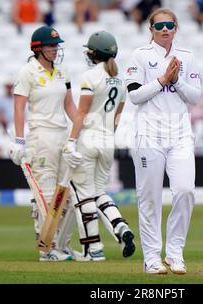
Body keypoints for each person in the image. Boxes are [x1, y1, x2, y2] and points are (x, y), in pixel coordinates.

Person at [125, 8, 202, 274]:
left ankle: (175, 253)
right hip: (149, 135)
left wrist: (177, 80)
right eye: (160, 26)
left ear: (176, 28)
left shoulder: (187, 57)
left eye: (170, 25)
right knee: (150, 198)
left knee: (185, 190)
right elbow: (134, 96)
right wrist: (162, 80)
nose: (165, 29)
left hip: (180, 134)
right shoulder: (140, 55)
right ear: (151, 29)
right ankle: (152, 259)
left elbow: (195, 97)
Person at [9, 26, 82, 261]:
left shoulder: (63, 72)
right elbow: (19, 107)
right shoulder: (27, 72)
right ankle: (46, 249)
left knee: (68, 195)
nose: (55, 49)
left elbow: (70, 105)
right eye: (51, 46)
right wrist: (20, 141)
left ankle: (62, 245)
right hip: (40, 137)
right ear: (37, 48)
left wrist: (82, 129)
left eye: (56, 45)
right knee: (48, 196)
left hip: (63, 136)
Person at [63, 31, 135, 261]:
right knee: (99, 193)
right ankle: (120, 226)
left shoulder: (90, 77)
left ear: (95, 53)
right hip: (107, 141)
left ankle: (93, 250)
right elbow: (116, 118)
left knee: (84, 197)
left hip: (88, 139)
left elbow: (82, 112)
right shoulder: (121, 80)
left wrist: (71, 141)